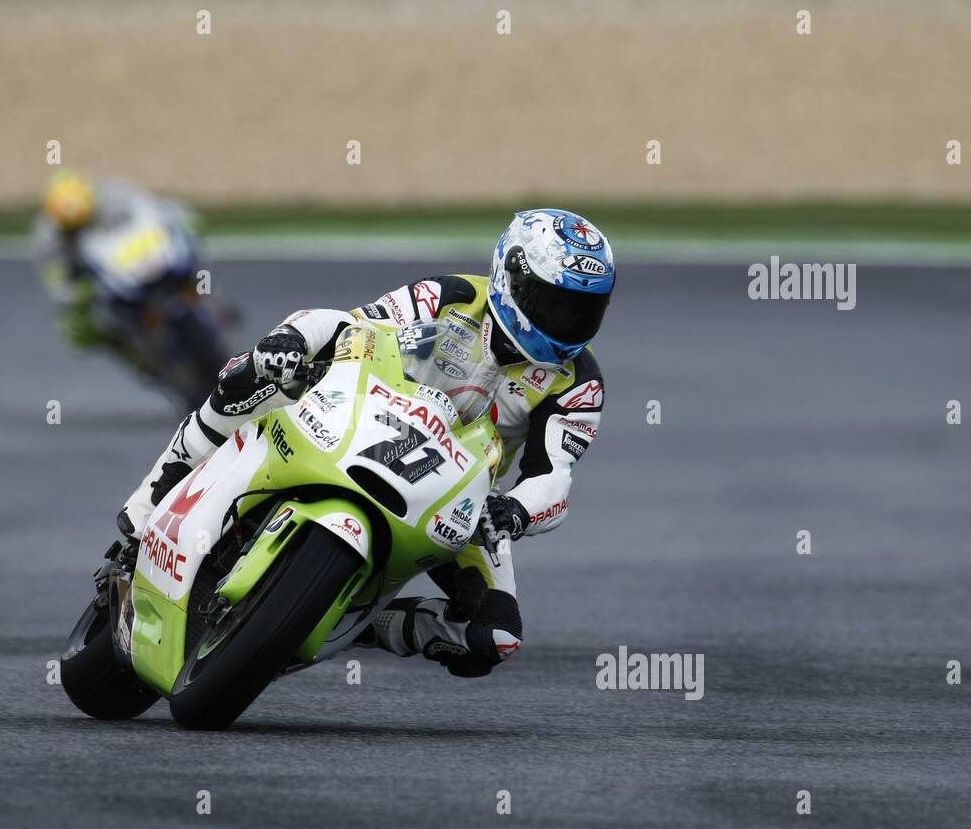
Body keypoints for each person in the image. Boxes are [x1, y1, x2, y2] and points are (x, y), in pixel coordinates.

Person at [121, 208, 613, 677]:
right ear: (512, 280)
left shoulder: (578, 381)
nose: (565, 322)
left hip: (453, 495)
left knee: (494, 635)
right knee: (250, 375)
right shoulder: (452, 295)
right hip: (354, 416)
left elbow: (553, 475)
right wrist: (292, 340)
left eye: (582, 312)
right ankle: (150, 504)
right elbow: (351, 326)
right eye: (553, 304)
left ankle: (349, 623)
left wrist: (517, 512)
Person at [33, 170, 225, 407]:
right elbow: (56, 283)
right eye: (73, 228)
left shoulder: (115, 195)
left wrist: (178, 222)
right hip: (101, 286)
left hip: (140, 263)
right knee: (84, 328)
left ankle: (216, 306)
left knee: (195, 263)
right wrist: (76, 293)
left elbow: (153, 209)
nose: (78, 230)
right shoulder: (49, 240)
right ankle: (144, 361)